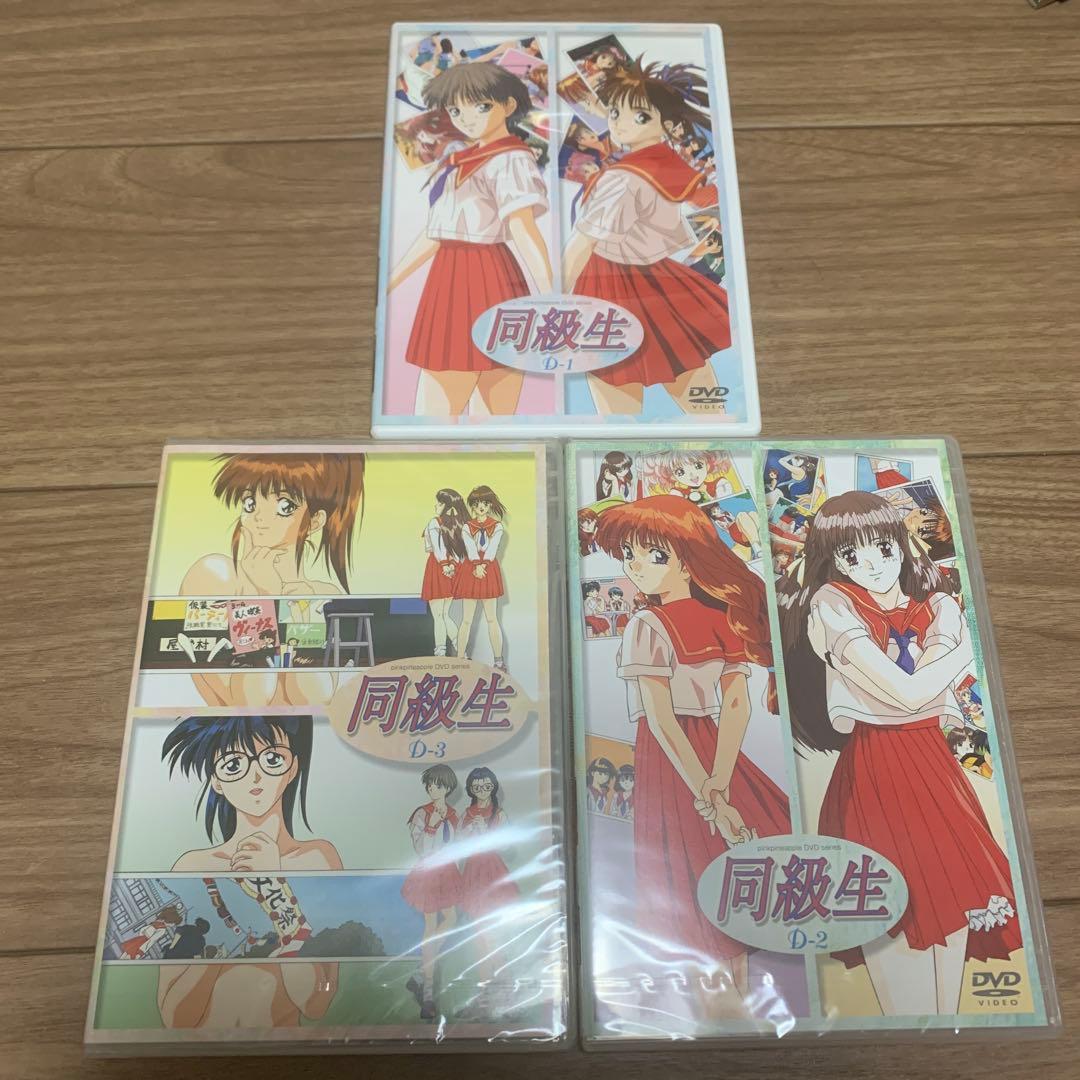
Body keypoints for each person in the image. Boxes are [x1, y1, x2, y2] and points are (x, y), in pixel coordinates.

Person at [776, 490, 1019, 1016]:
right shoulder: (832, 604)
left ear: (903, 545)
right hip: (875, 767)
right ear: (834, 561)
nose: (871, 564)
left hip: (934, 767)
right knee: (889, 911)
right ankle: (902, 1038)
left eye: (883, 547)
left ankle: (945, 1035)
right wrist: (962, 652)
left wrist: (947, 657)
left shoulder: (940, 604)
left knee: (951, 901)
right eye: (851, 554)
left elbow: (917, 690)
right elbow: (906, 694)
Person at [596, 495, 789, 1016]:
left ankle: (722, 1021)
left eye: (652, 555)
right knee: (725, 880)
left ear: (687, 561)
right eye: (629, 555)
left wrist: (707, 792)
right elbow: (736, 706)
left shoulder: (646, 625)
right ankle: (736, 1013)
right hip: (714, 751)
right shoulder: (723, 617)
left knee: (687, 884)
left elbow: (661, 719)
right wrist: (720, 782)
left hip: (671, 760)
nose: (636, 566)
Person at [563, 57, 730, 416]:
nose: (621, 123)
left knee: (616, 407)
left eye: (639, 116)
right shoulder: (668, 164)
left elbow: (582, 244)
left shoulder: (622, 179)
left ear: (665, 124)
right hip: (660, 281)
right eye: (615, 113)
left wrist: (555, 298)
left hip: (607, 284)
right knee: (699, 393)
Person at [388, 62, 552, 417]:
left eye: (481, 106)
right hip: (449, 277)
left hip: (489, 275)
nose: (467, 119)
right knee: (439, 411)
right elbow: (435, 234)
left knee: (489, 410)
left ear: (508, 106)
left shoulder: (511, 159)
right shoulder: (460, 162)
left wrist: (554, 296)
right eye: (456, 110)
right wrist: (389, 283)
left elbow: (524, 230)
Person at [157, 715, 340, 1028]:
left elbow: (316, 1002)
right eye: (233, 764)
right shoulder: (193, 868)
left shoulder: (317, 859)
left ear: (293, 767)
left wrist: (272, 884)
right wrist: (219, 941)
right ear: (216, 779)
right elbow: (174, 1017)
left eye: (272, 759)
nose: (255, 776)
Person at [179, 452, 365, 710]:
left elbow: (314, 699)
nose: (259, 517)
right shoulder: (216, 576)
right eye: (249, 503)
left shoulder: (324, 594)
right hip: (230, 734)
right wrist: (263, 599)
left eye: (284, 505)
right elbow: (248, 700)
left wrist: (298, 615)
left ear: (315, 521)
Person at [402, 765, 464, 1021]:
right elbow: (421, 849)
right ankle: (427, 995)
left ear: (448, 787)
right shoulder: (421, 813)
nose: (432, 789)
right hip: (428, 871)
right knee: (431, 924)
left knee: (451, 918)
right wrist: (432, 825)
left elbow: (456, 845)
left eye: (437, 785)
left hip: (447, 871)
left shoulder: (454, 814)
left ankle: (420, 974)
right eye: (429, 785)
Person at [455, 486, 509, 669]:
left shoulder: (497, 526)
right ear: (472, 505)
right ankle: (460, 658)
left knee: (492, 619)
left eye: (485, 503)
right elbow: (470, 547)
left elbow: (493, 548)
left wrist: (483, 565)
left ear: (490, 505)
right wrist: (477, 565)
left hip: (488, 569)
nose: (481, 507)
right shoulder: (467, 527)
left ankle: (498, 660)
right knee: (466, 619)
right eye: (477, 503)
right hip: (471, 569)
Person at [422, 489, 469, 656]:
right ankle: (460, 648)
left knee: (438, 615)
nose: (436, 505)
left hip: (438, 566)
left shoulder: (434, 523)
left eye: (440, 503)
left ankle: (440, 650)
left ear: (449, 507)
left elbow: (437, 547)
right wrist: (452, 565)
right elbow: (460, 552)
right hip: (452, 568)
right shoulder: (459, 525)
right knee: (444, 614)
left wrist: (444, 565)